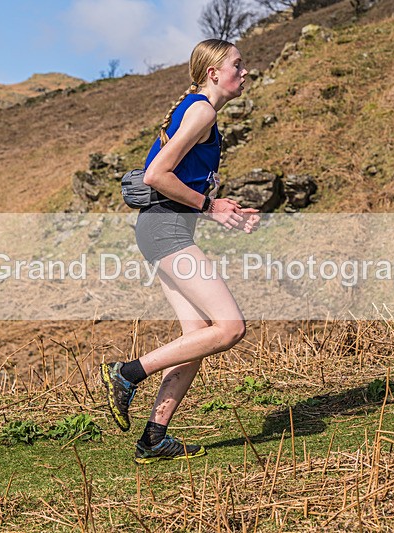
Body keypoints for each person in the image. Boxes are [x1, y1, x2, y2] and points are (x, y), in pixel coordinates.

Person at [100, 39, 260, 464]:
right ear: (213, 73)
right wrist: (210, 206)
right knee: (230, 328)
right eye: (237, 65)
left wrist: (220, 208)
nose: (245, 72)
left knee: (197, 337)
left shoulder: (200, 112)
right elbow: (156, 175)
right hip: (165, 231)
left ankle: (154, 438)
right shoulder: (203, 111)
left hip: (162, 229)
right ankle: (127, 373)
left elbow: (178, 183)